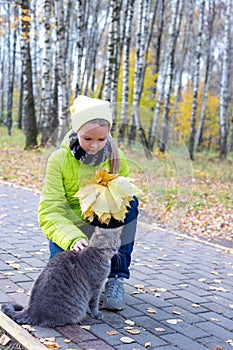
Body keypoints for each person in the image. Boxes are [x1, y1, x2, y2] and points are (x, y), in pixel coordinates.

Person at [38, 95, 139, 310]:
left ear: (108, 135)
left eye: (101, 140)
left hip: (101, 225)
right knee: (64, 282)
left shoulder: (115, 157)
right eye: (87, 139)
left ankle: (116, 278)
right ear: (76, 132)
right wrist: (71, 238)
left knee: (131, 203)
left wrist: (104, 232)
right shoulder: (59, 160)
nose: (94, 145)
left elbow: (124, 199)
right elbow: (50, 210)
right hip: (71, 226)